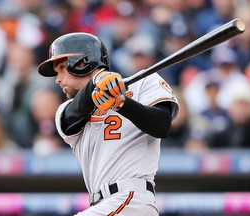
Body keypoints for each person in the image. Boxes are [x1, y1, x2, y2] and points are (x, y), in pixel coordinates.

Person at [37, 32, 179, 216]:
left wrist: (121, 103)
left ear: (81, 63)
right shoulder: (65, 110)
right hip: (103, 205)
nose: (58, 79)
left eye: (62, 68)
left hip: (131, 200)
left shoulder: (143, 82)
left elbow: (161, 125)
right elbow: (73, 116)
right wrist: (97, 81)